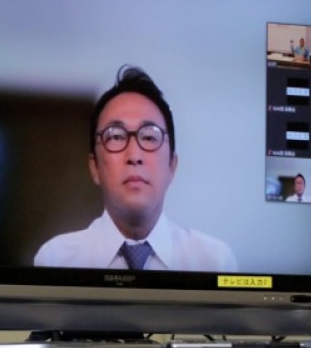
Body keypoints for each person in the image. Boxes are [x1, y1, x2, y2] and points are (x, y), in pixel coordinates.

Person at [34, 66, 238, 272]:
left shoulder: (215, 262)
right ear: (94, 167)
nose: (134, 156)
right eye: (116, 136)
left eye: (149, 137)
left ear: (171, 166)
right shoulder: (56, 260)